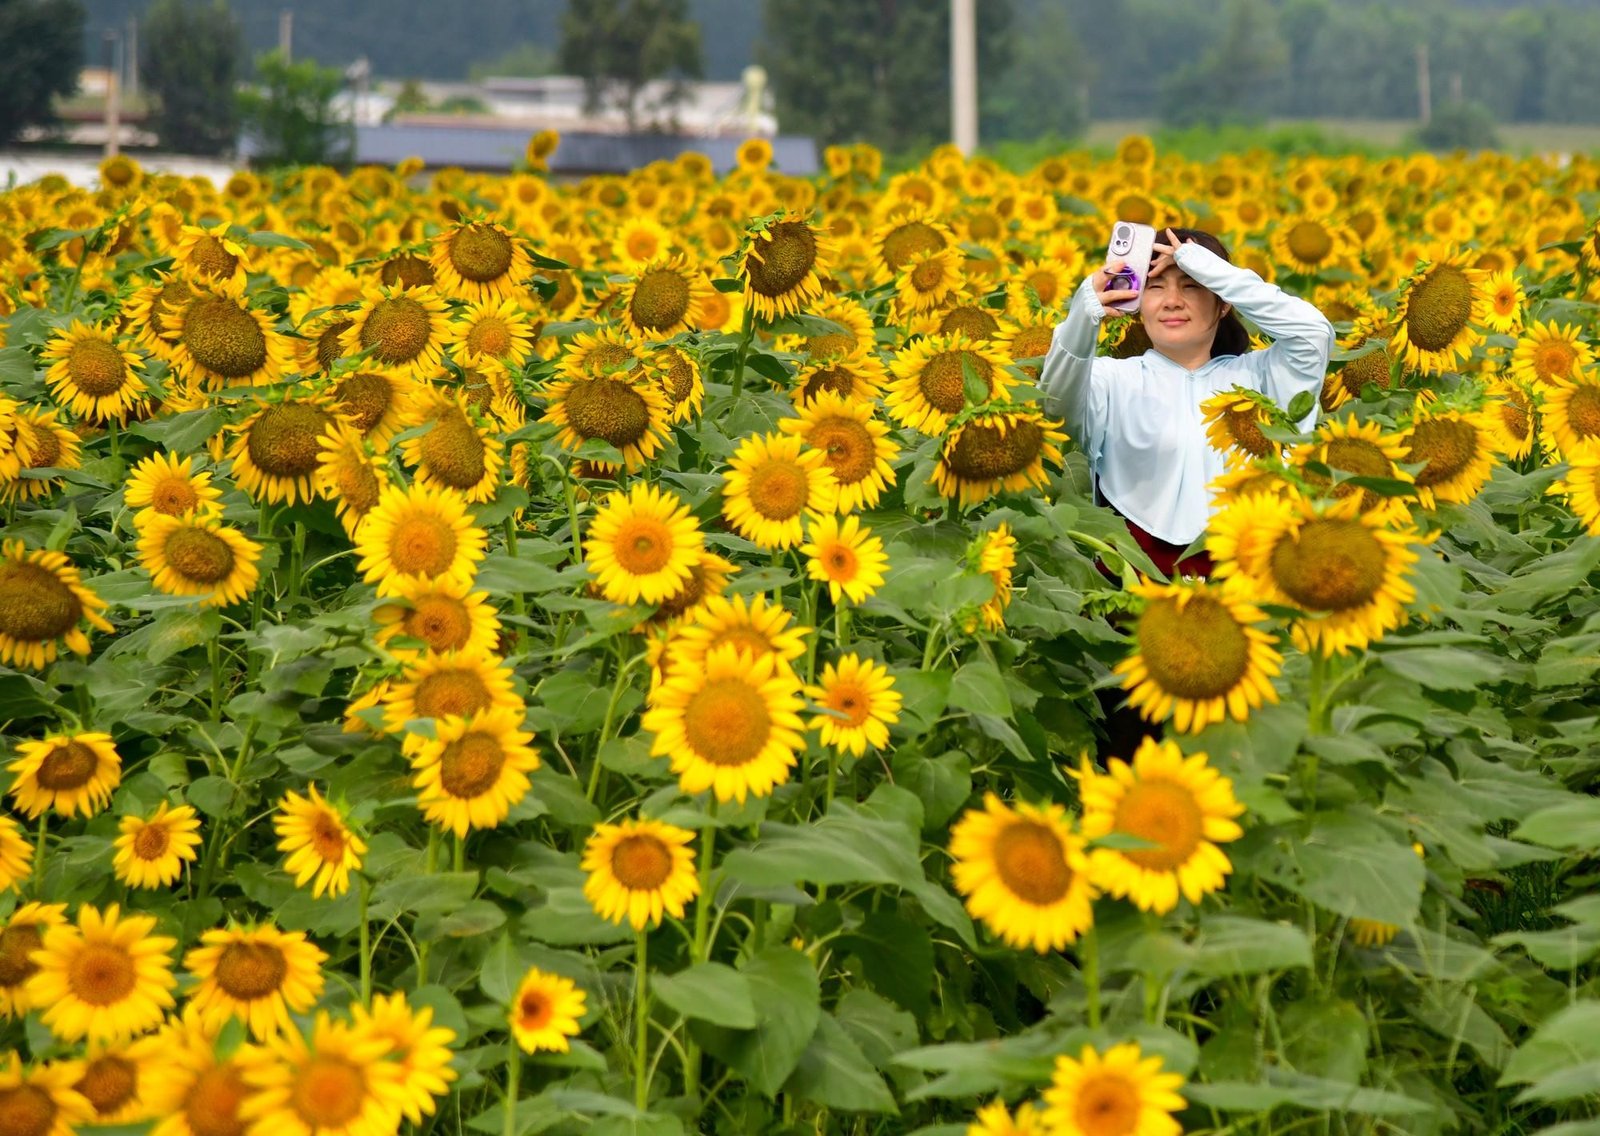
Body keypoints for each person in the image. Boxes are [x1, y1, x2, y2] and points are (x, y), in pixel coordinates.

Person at [1038, 227, 1334, 577]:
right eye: (1156, 286)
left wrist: (1204, 265)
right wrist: (1082, 313)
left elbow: (1312, 333)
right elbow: (1056, 407)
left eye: (1191, 285)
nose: (1172, 301)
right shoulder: (1111, 380)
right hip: (1129, 586)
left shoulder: (1264, 377)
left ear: (1223, 301)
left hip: (1248, 583)